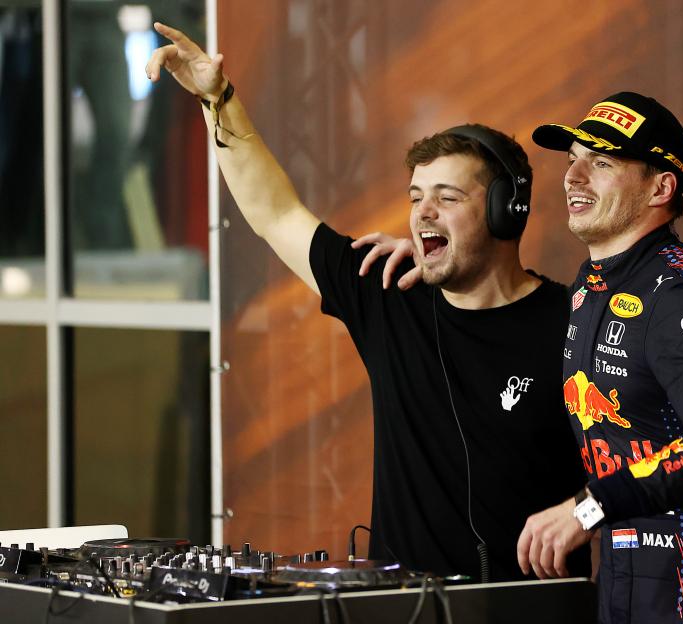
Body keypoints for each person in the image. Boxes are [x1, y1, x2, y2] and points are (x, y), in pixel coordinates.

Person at [145, 23, 588, 582]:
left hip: (532, 607)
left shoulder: (576, 322)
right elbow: (275, 213)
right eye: (416, 197)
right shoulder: (388, 292)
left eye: (447, 197)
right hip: (401, 606)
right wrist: (219, 100)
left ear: (507, 212)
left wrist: (585, 513)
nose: (423, 213)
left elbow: (654, 465)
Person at [517, 92, 683, 622]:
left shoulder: (681, 289)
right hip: (623, 587)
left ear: (661, 187)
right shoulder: (590, 285)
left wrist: (589, 507)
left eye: (602, 163)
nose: (573, 178)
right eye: (573, 161)